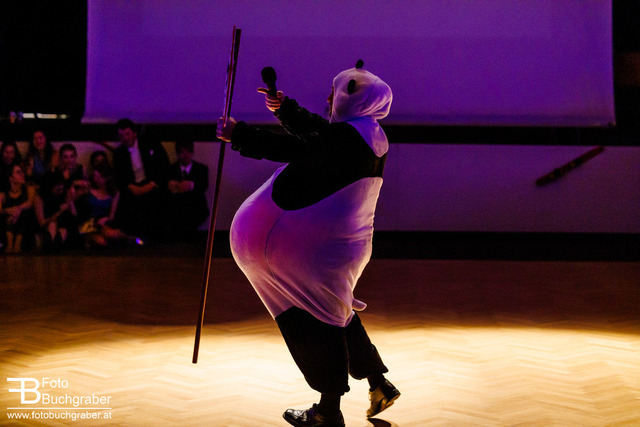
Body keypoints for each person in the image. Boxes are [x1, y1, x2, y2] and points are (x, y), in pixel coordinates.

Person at [216, 61, 399, 426]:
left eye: (334, 93)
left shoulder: (349, 138)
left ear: (356, 99)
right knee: (338, 314)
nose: (329, 99)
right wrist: (284, 108)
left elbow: (300, 147)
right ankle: (378, 383)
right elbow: (319, 132)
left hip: (315, 252)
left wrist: (241, 135)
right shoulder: (365, 133)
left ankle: (327, 412)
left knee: (314, 324)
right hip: (334, 248)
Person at [112, 118, 170, 238]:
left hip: (151, 184)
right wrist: (131, 186)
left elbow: (163, 166)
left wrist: (151, 184)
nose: (125, 138)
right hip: (132, 187)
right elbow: (119, 177)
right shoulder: (119, 154)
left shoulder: (151, 144)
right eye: (121, 135)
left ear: (135, 133)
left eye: (127, 134)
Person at [76, 164, 140, 249]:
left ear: (106, 178)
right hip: (87, 224)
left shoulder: (113, 193)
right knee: (102, 242)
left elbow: (111, 215)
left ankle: (127, 238)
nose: (96, 179)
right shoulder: (88, 189)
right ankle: (89, 240)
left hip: (102, 223)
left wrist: (106, 219)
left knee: (111, 234)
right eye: (95, 176)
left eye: (99, 177)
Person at [165, 140, 209, 235]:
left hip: (195, 206)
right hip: (176, 207)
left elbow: (203, 186)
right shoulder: (171, 169)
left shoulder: (201, 169)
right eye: (182, 152)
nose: (185, 155)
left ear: (192, 153)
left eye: (188, 152)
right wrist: (176, 186)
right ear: (178, 154)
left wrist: (191, 185)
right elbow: (166, 187)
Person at [33, 171, 78, 252]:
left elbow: (74, 215)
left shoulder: (64, 194)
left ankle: (54, 249)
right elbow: (41, 223)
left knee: (63, 230)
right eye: (58, 185)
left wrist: (70, 201)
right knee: (52, 224)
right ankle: (50, 249)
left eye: (62, 184)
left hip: (65, 225)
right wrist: (59, 212)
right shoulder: (40, 198)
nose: (61, 187)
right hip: (47, 225)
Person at [0, 164, 37, 253]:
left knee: (24, 213)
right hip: (8, 228)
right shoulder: (3, 194)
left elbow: (29, 203)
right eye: (18, 172)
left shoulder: (29, 189)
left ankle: (17, 245)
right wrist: (8, 211)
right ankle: (9, 245)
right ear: (11, 178)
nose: (22, 174)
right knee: (7, 216)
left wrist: (17, 210)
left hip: (25, 231)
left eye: (22, 172)